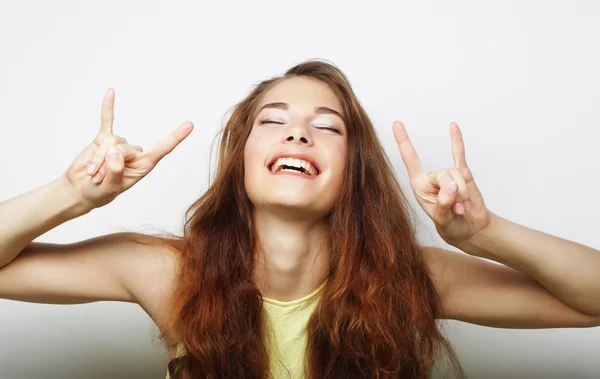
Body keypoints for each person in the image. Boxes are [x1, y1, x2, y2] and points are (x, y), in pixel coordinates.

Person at [0, 59, 598, 379]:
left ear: (352, 171)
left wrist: (485, 235)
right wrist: (71, 197)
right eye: (274, 119)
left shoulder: (409, 276)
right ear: (241, 162)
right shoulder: (166, 273)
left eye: (327, 126)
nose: (297, 131)